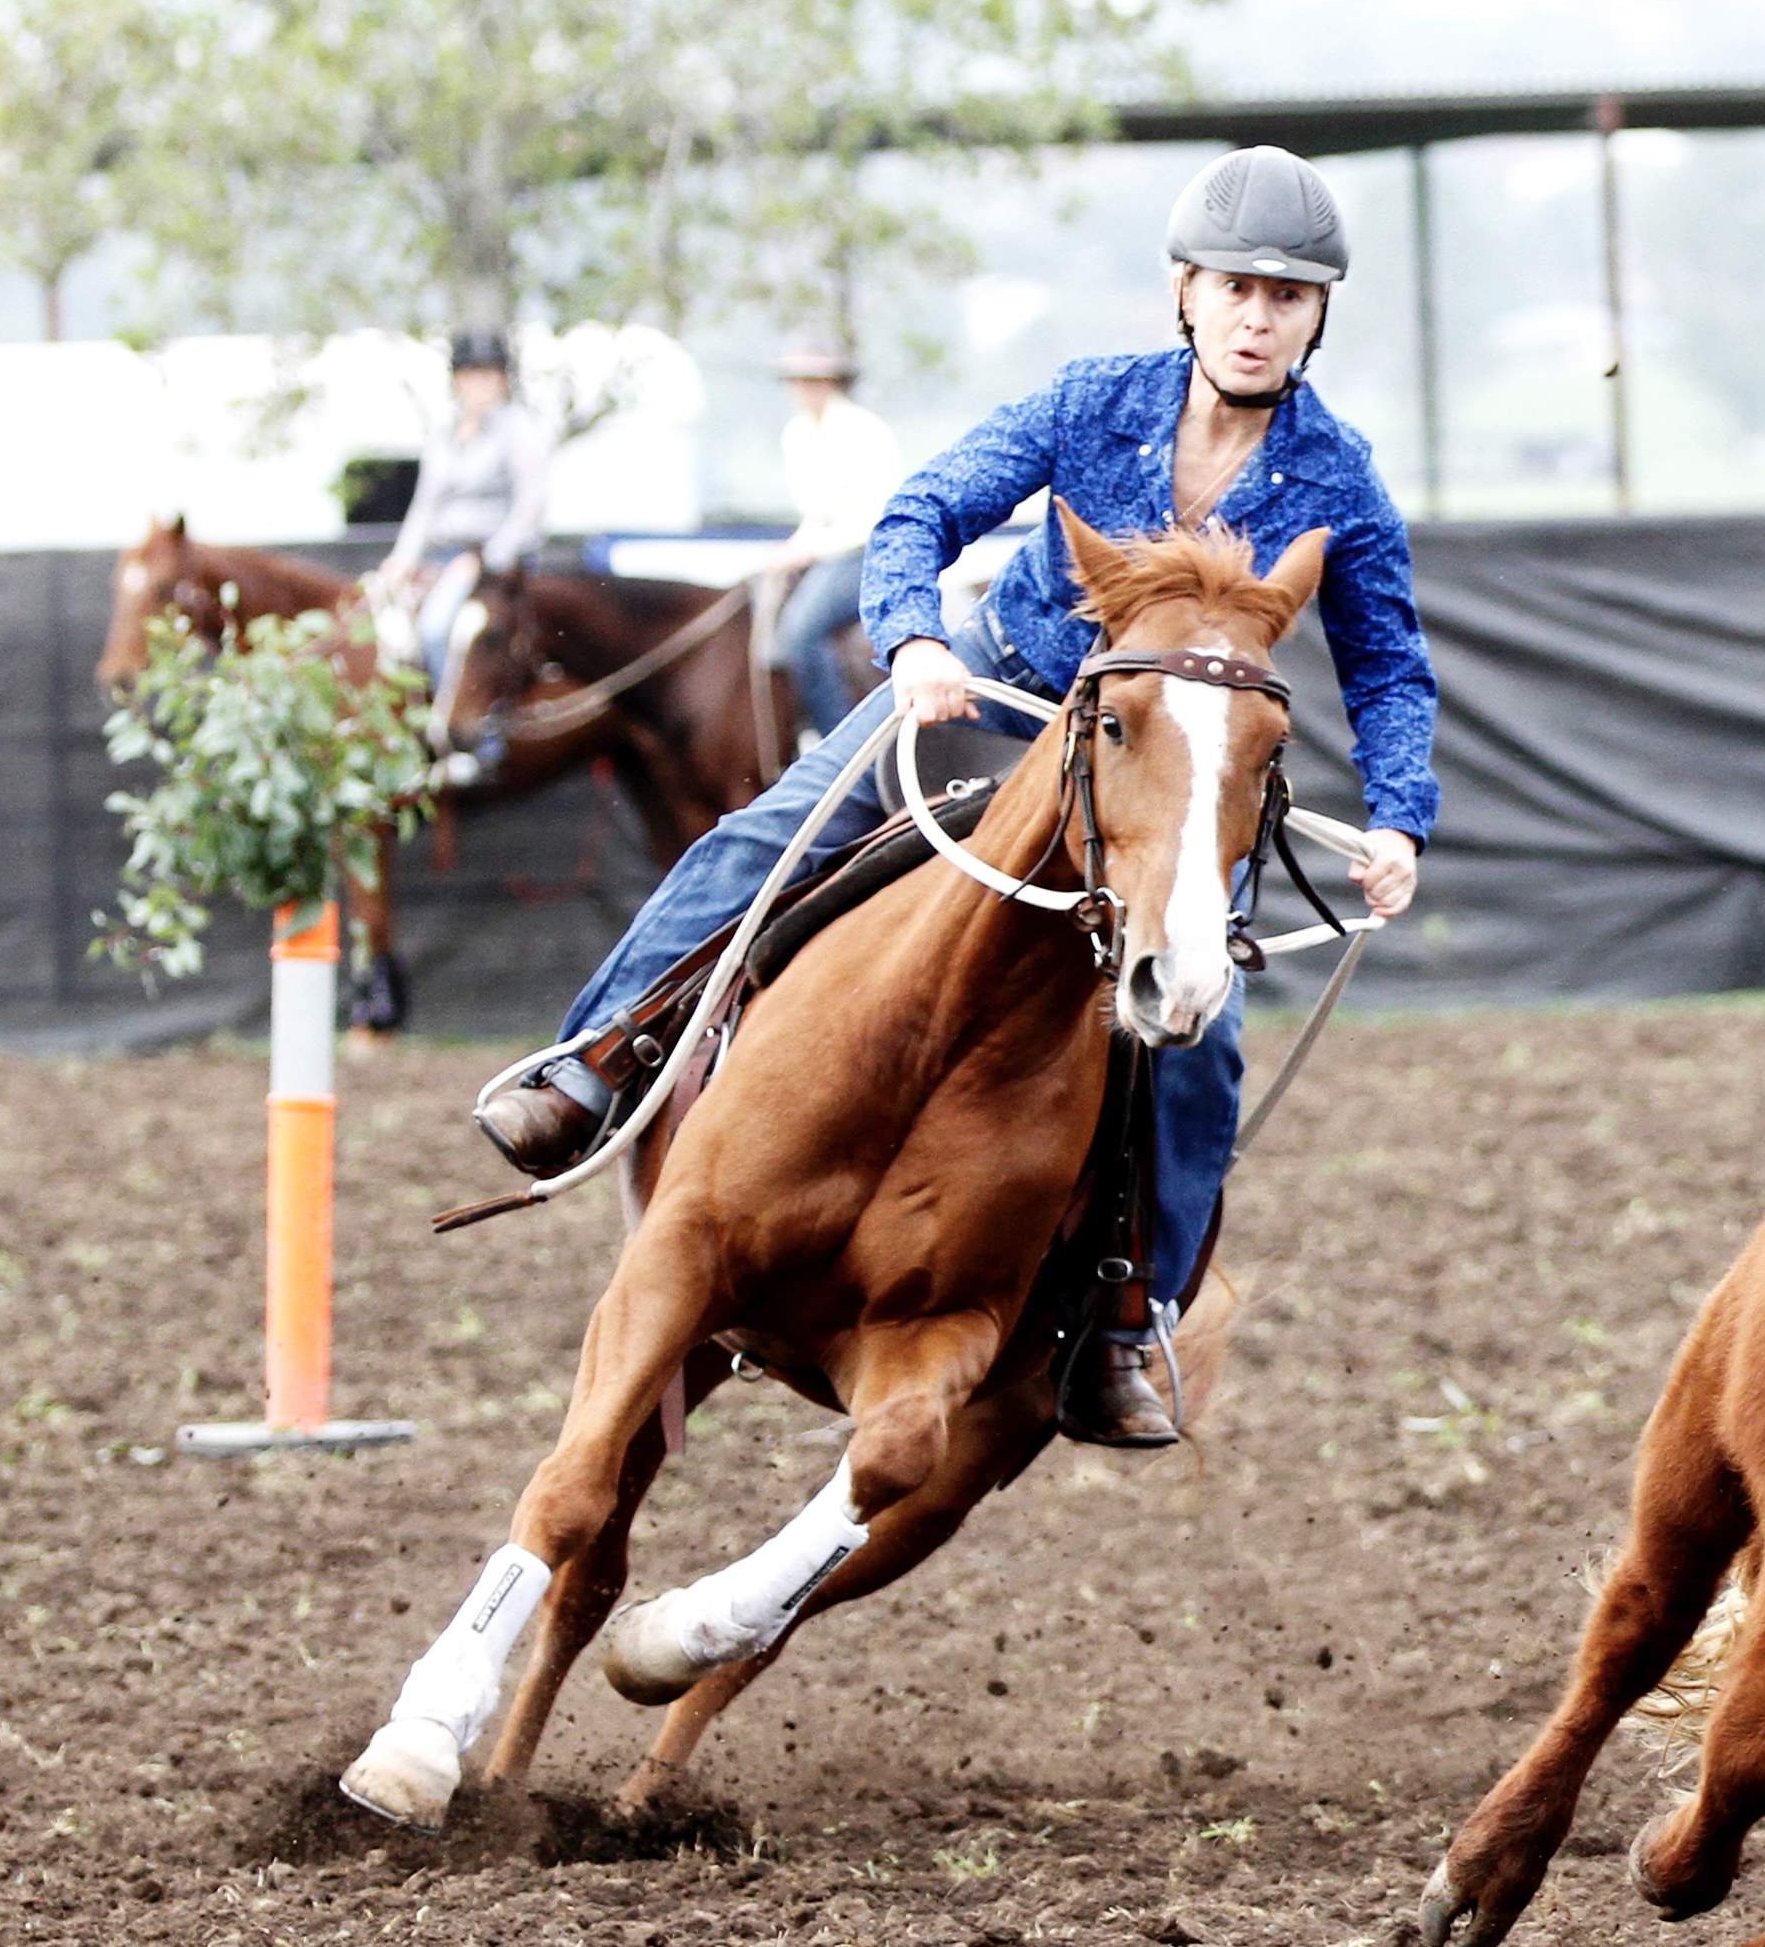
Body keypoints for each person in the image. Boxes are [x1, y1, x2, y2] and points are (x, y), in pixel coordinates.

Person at [477, 147, 1438, 1445]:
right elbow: (922, 510)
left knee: (1201, 1033)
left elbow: (1389, 666)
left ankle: (1129, 1321)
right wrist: (916, 639)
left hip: (1169, 773)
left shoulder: (1340, 478)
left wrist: (1399, 814)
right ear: (1186, 292)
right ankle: (594, 1060)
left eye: (1288, 296)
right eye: (1236, 288)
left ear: (1317, 315)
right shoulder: (1091, 400)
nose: (1259, 318)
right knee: (772, 833)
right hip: (998, 691)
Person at [376, 328, 553, 687]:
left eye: (490, 375)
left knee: (436, 628)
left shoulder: (519, 431)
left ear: (502, 380)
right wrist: (402, 557)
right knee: (387, 621)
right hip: (443, 556)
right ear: (458, 380)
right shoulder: (444, 434)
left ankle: (463, 716)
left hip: (499, 562)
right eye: (472, 375)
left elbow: (530, 507)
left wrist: (484, 559)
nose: (481, 385)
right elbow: (425, 506)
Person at [765, 337, 903, 741]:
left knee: (800, 633)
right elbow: (819, 513)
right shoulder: (796, 433)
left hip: (868, 551)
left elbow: (875, 515)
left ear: (834, 382)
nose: (802, 388)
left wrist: (809, 548)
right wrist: (796, 545)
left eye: (813, 379)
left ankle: (838, 739)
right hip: (827, 552)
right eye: (796, 380)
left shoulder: (863, 429)